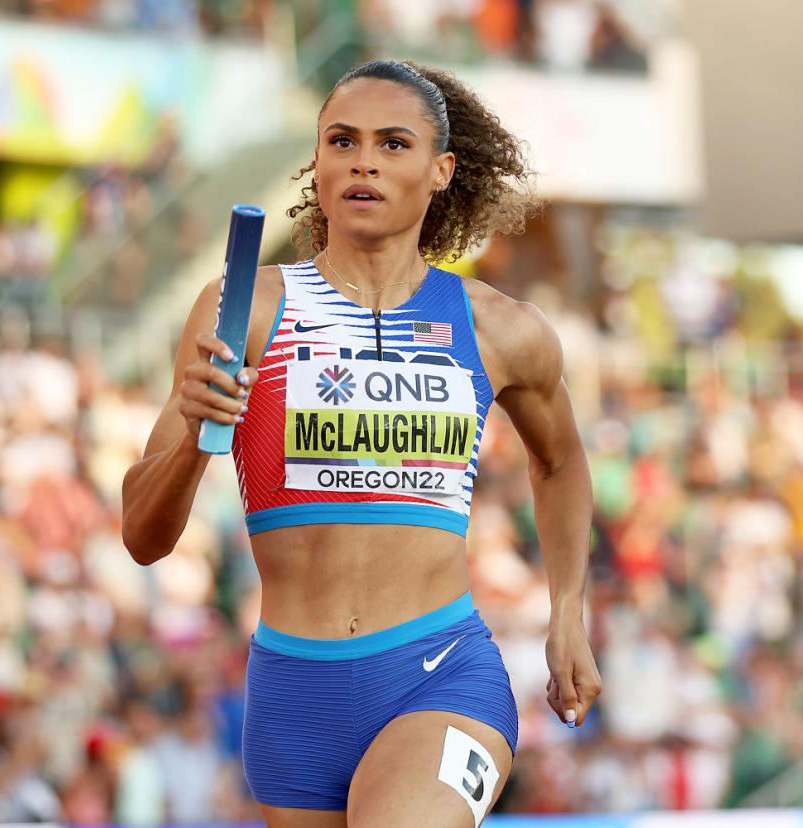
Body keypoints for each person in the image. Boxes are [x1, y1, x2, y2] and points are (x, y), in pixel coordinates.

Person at [122, 59, 601, 827]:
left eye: (392, 143)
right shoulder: (243, 310)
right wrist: (192, 437)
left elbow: (561, 460)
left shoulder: (498, 328)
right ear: (318, 161)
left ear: (441, 170)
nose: (364, 160)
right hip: (292, 693)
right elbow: (143, 538)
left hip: (441, 673)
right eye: (342, 140)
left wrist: (567, 610)